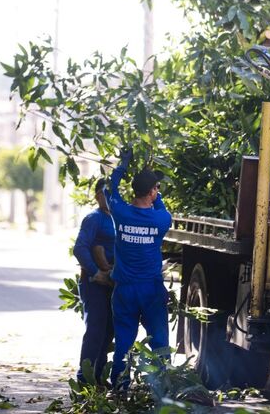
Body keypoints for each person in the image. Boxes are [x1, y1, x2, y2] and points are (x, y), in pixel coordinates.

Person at [108, 147, 173, 387]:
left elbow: (111, 189)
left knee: (124, 342)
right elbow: (161, 208)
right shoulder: (161, 220)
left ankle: (119, 387)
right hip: (151, 291)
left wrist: (122, 166)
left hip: (124, 291)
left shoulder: (120, 212)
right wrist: (157, 194)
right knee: (159, 342)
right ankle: (162, 389)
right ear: (152, 191)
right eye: (156, 188)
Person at [72, 178, 116, 384]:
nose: (111, 197)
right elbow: (79, 248)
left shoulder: (118, 218)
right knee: (96, 329)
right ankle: (84, 379)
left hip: (112, 284)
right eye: (107, 193)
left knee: (109, 330)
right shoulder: (94, 219)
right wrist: (95, 271)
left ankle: (98, 377)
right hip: (93, 284)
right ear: (98, 196)